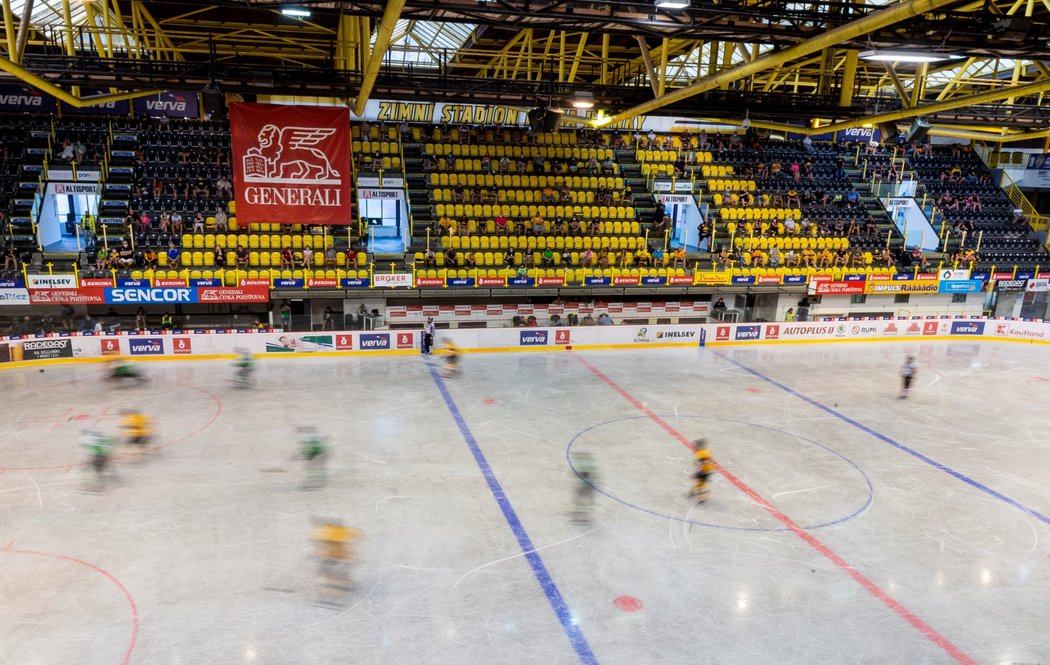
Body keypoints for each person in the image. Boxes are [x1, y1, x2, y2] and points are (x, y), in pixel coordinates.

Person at [311, 519, 361, 604]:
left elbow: (317, 541)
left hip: (333, 557)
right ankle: (341, 583)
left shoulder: (330, 533)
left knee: (328, 570)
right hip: (338, 557)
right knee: (336, 571)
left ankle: (330, 584)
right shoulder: (340, 532)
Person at [570, 452, 598, 522]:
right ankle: (583, 514)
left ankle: (582, 514)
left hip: (586, 488)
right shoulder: (588, 475)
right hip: (588, 488)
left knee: (580, 500)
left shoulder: (586, 477)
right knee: (582, 501)